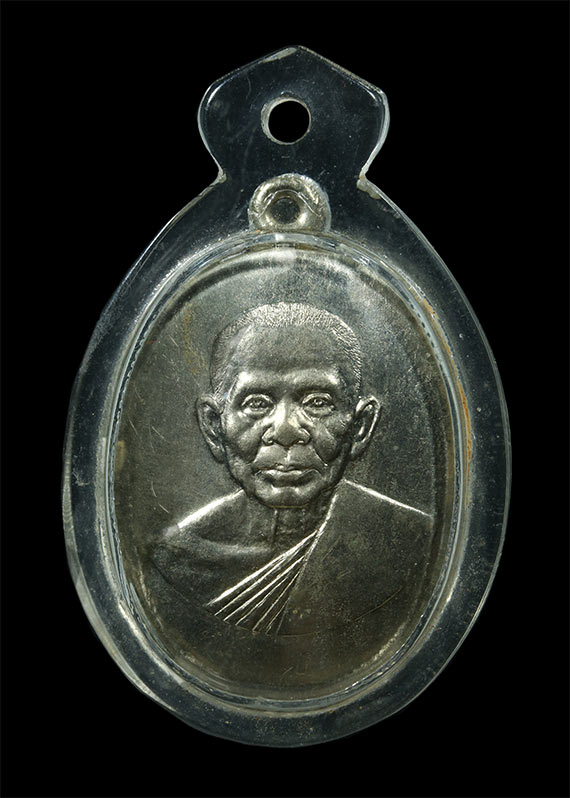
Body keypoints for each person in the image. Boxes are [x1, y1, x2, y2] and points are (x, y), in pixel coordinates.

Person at [150, 302, 433, 638]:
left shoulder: (408, 541)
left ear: (360, 426)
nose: (285, 431)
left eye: (318, 402)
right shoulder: (180, 555)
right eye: (257, 403)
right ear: (214, 426)